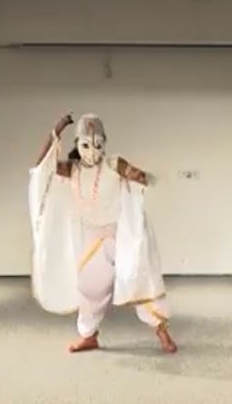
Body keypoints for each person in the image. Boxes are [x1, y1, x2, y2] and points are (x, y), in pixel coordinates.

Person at [29, 113, 177, 353]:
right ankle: (89, 336)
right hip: (93, 239)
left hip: (121, 236)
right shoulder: (71, 169)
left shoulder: (113, 164)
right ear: (77, 144)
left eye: (98, 145)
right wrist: (57, 130)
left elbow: (137, 175)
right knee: (89, 287)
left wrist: (139, 176)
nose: (93, 151)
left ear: (105, 143)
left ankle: (162, 332)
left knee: (139, 278)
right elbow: (41, 167)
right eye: (86, 145)